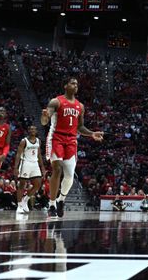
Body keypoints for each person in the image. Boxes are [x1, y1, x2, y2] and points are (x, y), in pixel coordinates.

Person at [41, 78, 104, 219]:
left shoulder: (80, 106)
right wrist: (44, 116)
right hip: (56, 137)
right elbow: (44, 121)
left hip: (71, 140)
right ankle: (51, 205)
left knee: (70, 175)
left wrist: (92, 134)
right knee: (56, 169)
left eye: (76, 84)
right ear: (65, 86)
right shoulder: (55, 101)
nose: (75, 86)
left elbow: (80, 127)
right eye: (72, 83)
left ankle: (61, 200)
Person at [14, 125, 45, 214]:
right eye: (31, 129)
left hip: (35, 163)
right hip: (25, 163)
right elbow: (18, 155)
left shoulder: (38, 141)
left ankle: (25, 199)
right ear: (28, 130)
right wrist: (16, 167)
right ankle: (19, 206)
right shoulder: (24, 141)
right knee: (22, 185)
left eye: (34, 129)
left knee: (38, 184)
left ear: (36, 131)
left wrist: (42, 167)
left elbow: (39, 154)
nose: (32, 130)